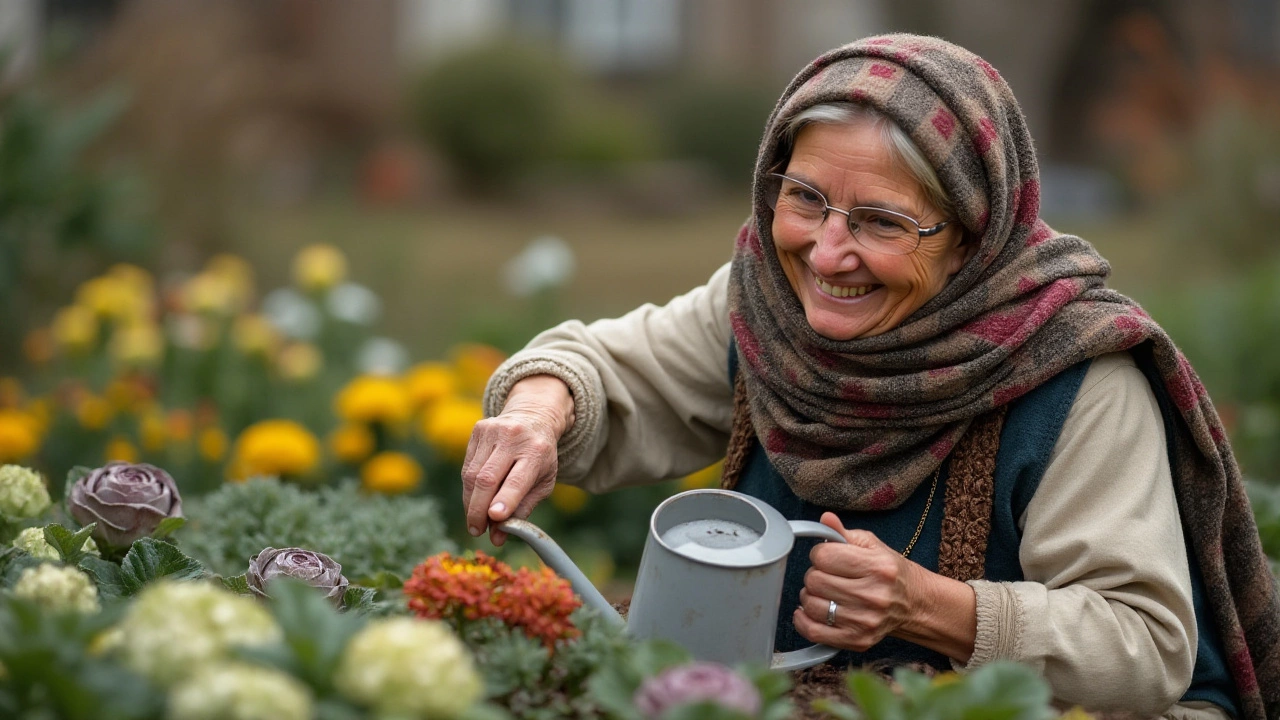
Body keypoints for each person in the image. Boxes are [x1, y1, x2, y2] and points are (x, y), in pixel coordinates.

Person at [461, 34, 1278, 719]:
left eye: (881, 222)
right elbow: (613, 368)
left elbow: (1146, 644)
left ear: (972, 234)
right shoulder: (768, 307)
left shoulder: (1075, 375)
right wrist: (540, 408)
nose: (826, 253)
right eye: (805, 199)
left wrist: (931, 607)